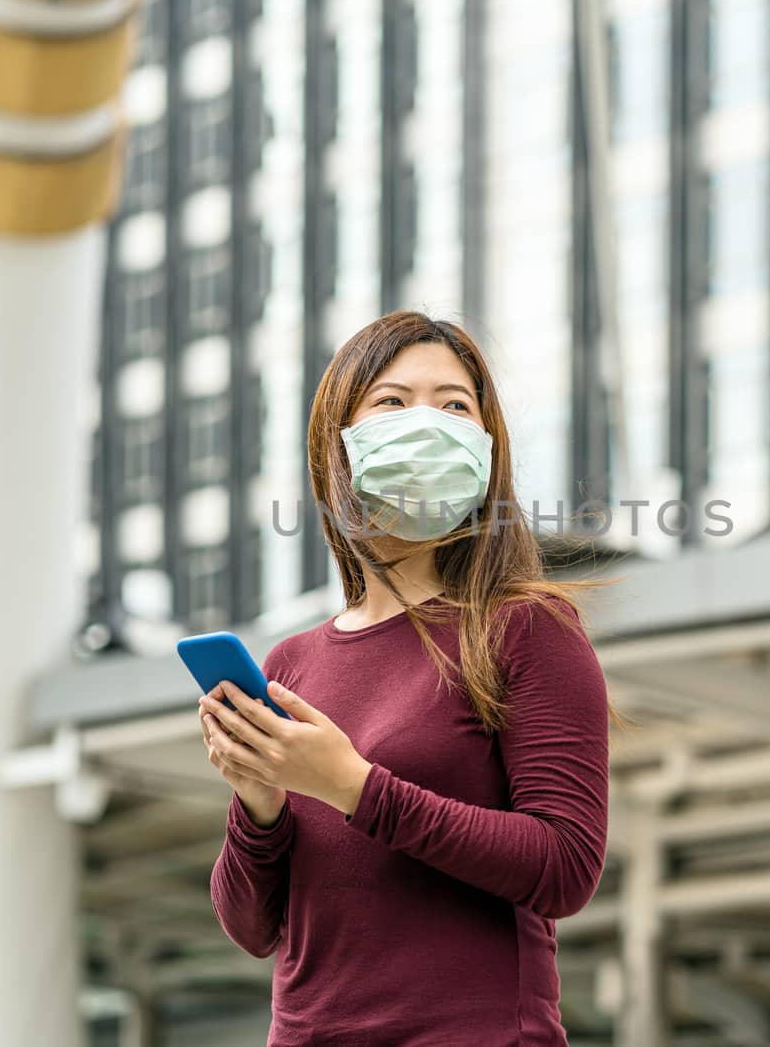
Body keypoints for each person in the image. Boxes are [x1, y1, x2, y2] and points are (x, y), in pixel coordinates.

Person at [198, 310, 626, 1045]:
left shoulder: (525, 628)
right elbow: (254, 928)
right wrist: (259, 805)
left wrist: (354, 786)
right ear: (339, 442)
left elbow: (565, 866)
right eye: (392, 402)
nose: (425, 423)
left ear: (487, 448)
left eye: (455, 405)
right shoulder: (292, 664)